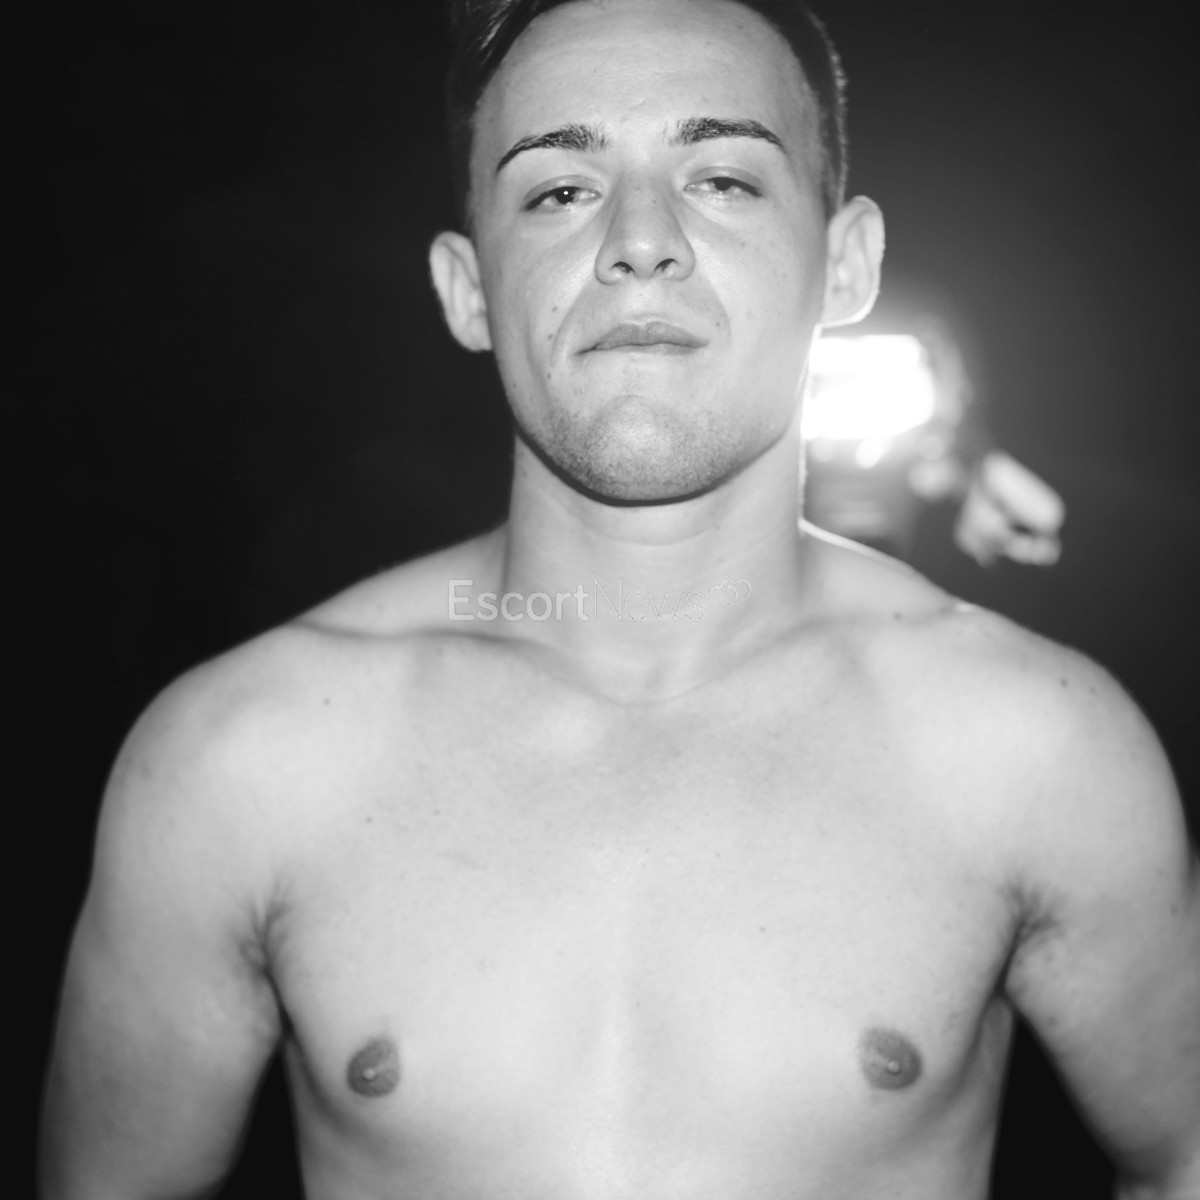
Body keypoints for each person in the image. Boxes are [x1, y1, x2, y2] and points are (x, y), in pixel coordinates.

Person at [40, 0, 1199, 1197]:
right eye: (559, 191)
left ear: (847, 262)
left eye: (724, 179)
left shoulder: (1038, 752)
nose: (641, 240)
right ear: (468, 288)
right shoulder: (237, 765)